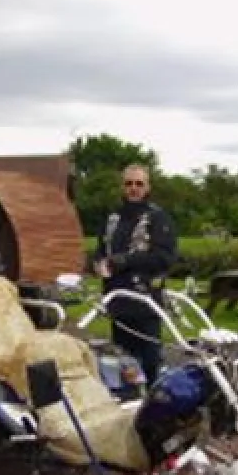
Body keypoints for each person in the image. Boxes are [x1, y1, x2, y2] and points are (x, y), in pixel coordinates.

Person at [90, 163, 178, 387]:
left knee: (150, 365)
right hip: (118, 302)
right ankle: (130, 408)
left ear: (147, 187)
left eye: (139, 184)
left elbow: (164, 258)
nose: (133, 188)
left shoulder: (158, 219)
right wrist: (97, 263)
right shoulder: (112, 219)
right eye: (129, 183)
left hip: (145, 304)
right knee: (124, 366)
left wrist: (126, 261)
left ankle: (155, 412)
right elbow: (101, 251)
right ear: (122, 187)